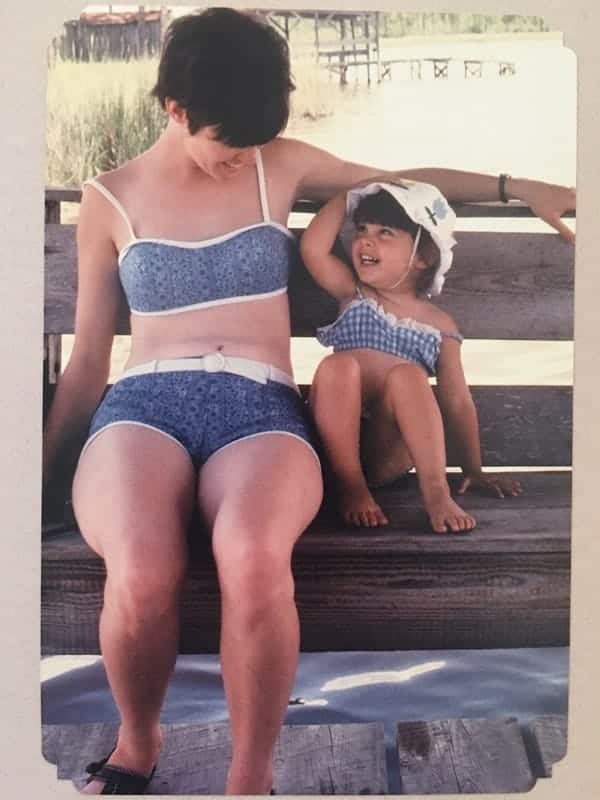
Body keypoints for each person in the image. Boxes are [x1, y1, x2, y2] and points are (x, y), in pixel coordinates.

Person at [41, 7, 575, 795]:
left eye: (257, 142)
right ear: (175, 109)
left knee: (255, 559)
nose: (241, 161)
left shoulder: (275, 163)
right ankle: (137, 744)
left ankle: (249, 778)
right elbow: (88, 362)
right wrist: (39, 484)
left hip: (259, 411)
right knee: (144, 568)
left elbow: (401, 182)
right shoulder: (111, 199)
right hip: (143, 407)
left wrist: (513, 184)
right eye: (228, 143)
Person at [301, 180, 523, 532]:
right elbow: (313, 248)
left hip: (389, 448)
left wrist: (473, 468)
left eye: (385, 232)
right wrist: (350, 193)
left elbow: (457, 401)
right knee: (336, 365)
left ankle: (435, 492)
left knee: (408, 376)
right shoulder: (353, 292)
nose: (365, 240)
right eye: (361, 230)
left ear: (423, 256)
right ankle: (351, 487)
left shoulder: (440, 325)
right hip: (336, 443)